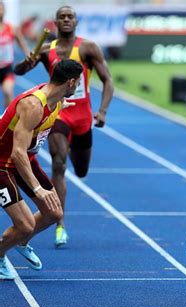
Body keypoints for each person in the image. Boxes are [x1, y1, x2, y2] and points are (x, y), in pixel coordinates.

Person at [14, 5, 114, 247]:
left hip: (82, 117)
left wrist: (102, 111)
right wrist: (26, 63)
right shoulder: (47, 49)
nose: (66, 20)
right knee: (58, 164)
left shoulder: (88, 48)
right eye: (62, 17)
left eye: (70, 17)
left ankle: (59, 217)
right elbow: (18, 70)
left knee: (81, 170)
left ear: (76, 22)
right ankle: (60, 224)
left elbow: (108, 80)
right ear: (56, 23)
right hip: (59, 113)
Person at [0, 59, 83, 280]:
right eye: (79, 83)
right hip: (3, 164)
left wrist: (58, 108)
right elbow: (17, 152)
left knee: (54, 213)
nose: (79, 87)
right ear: (71, 82)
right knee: (26, 225)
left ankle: (21, 241)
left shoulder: (55, 100)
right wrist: (37, 189)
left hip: (25, 159)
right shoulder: (33, 106)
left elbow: (23, 153)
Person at [0, 1, 29, 107]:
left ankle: (8, 119)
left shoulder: (11, 28)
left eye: (1, 9)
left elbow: (21, 42)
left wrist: (27, 54)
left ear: (4, 11)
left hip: (7, 68)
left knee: (8, 92)